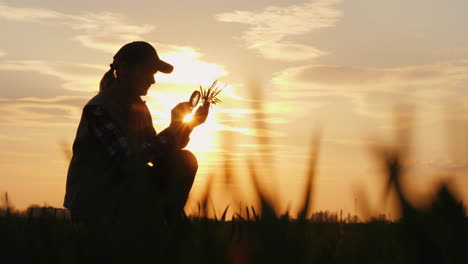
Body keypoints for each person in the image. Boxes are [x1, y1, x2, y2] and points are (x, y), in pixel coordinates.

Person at [63, 41, 209, 224]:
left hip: (126, 196)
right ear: (126, 70)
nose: (152, 80)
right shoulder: (98, 109)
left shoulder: (138, 108)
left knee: (184, 160)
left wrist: (186, 126)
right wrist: (173, 129)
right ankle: (166, 225)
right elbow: (128, 160)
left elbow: (158, 155)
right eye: (149, 73)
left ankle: (167, 222)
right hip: (97, 206)